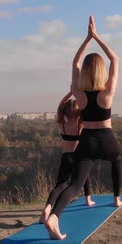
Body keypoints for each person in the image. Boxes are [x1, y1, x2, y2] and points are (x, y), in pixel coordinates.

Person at [45, 16, 122, 240]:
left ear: (85, 73)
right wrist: (97, 37)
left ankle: (54, 217)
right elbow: (115, 58)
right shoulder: (107, 92)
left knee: (75, 184)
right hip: (106, 139)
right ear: (100, 71)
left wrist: (86, 39)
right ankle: (116, 197)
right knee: (116, 159)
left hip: (87, 140)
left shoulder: (78, 93)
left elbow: (75, 63)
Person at [39, 92, 95, 224]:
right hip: (79, 156)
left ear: (64, 111)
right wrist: (79, 94)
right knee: (85, 176)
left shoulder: (61, 124)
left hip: (66, 156)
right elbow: (86, 108)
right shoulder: (80, 124)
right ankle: (88, 199)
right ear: (78, 112)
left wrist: (71, 92)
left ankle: (48, 207)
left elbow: (60, 105)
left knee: (60, 185)